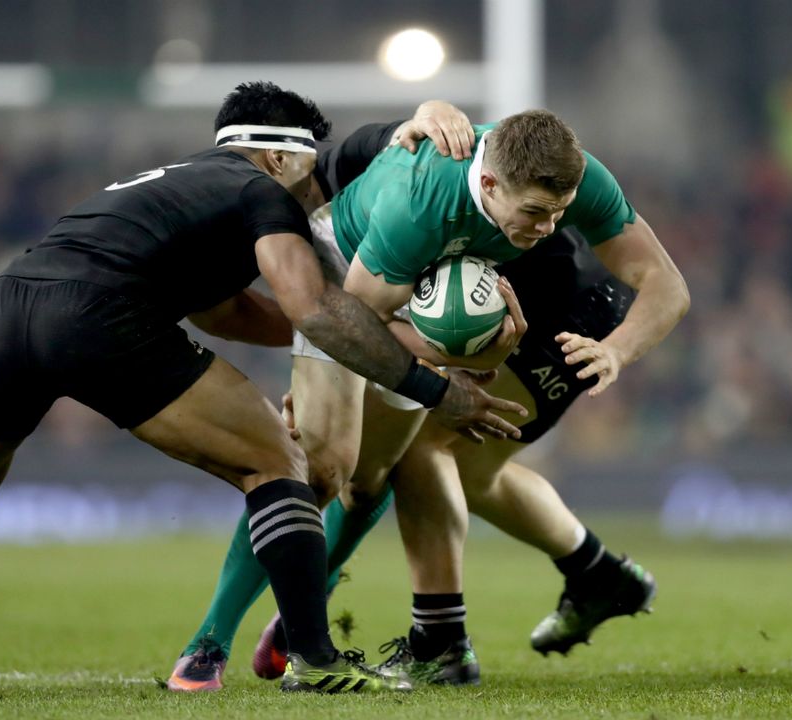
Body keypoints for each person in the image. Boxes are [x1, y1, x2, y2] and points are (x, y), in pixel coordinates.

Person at [0, 82, 529, 697]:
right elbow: (315, 311)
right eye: (311, 168)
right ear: (282, 155)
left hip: (18, 296)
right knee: (279, 466)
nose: (320, 191)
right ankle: (315, 660)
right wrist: (433, 387)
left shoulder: (182, 185)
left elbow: (227, 313)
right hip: (101, 312)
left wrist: (352, 341)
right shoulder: (264, 193)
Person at [168, 106, 688, 690]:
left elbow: (666, 283)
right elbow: (357, 323)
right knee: (326, 470)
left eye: (559, 215)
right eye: (537, 213)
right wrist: (437, 371)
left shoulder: (573, 178)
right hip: (368, 298)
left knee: (401, 467)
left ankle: (418, 633)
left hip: (530, 313)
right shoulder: (412, 207)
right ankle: (218, 639)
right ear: (488, 182)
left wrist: (615, 351)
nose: (548, 227)